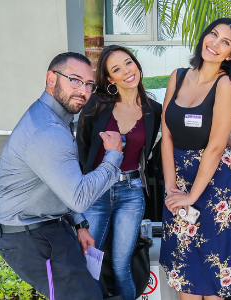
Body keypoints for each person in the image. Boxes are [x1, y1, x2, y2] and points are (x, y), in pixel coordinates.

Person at [0, 52, 122, 299]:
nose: (83, 91)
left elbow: (58, 183)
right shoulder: (47, 130)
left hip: (51, 227)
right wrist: (114, 156)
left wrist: (80, 223)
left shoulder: (55, 118)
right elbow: (79, 197)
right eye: (74, 80)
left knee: (95, 293)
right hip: (30, 237)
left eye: (88, 84)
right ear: (51, 78)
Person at [158, 18, 231, 299]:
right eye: (213, 34)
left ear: (230, 55)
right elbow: (166, 132)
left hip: (215, 180)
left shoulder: (226, 85)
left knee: (213, 266)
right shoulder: (178, 76)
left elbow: (216, 146)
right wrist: (172, 187)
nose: (215, 43)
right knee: (185, 266)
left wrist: (190, 196)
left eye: (225, 42)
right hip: (180, 175)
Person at [76, 45, 162, 300]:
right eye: (116, 69)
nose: (126, 71)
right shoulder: (97, 104)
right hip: (96, 190)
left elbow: (149, 152)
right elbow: (81, 150)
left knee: (121, 265)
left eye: (128, 63)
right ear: (110, 79)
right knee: (89, 261)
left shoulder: (153, 109)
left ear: (136, 64)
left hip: (131, 192)